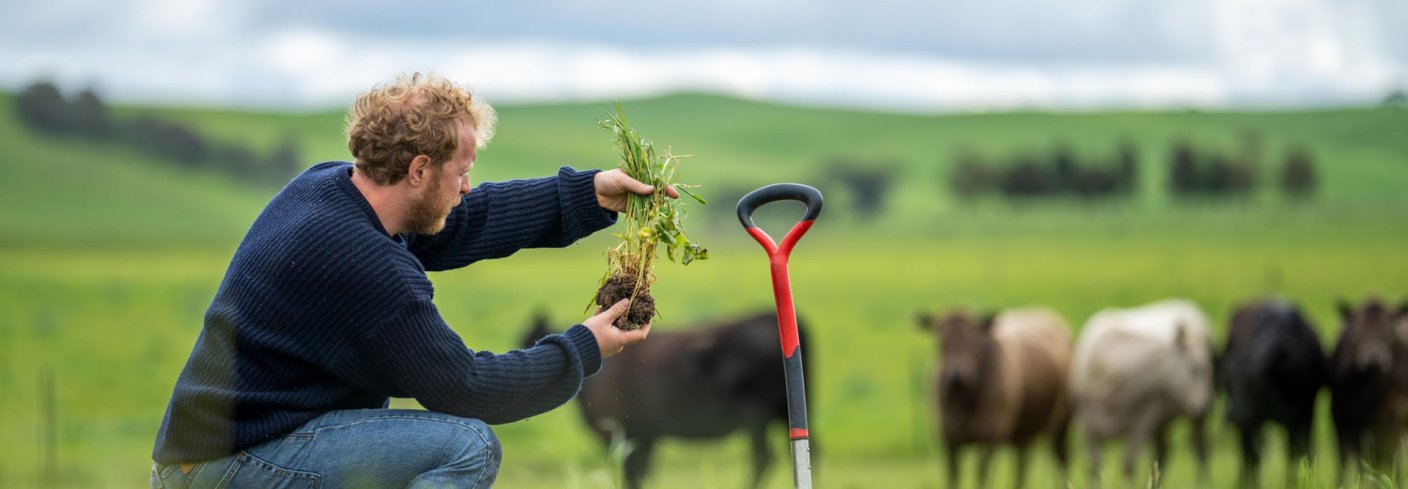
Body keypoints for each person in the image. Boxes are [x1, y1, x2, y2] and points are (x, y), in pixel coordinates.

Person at [151, 72, 670, 488]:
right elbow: (467, 389)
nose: (467, 186)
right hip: (228, 466)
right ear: (419, 169)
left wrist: (590, 194)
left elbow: (467, 221)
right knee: (468, 445)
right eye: (460, 171)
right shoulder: (367, 265)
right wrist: (585, 348)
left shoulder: (331, 189)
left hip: (227, 447)